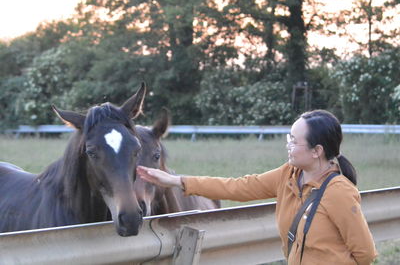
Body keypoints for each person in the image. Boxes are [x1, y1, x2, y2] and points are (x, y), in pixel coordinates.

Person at [136, 110, 377, 264]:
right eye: (288, 139)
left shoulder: (339, 192)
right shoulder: (288, 175)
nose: (288, 146)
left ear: (317, 151)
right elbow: (239, 187)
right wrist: (177, 181)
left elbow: (365, 253)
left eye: (294, 141)